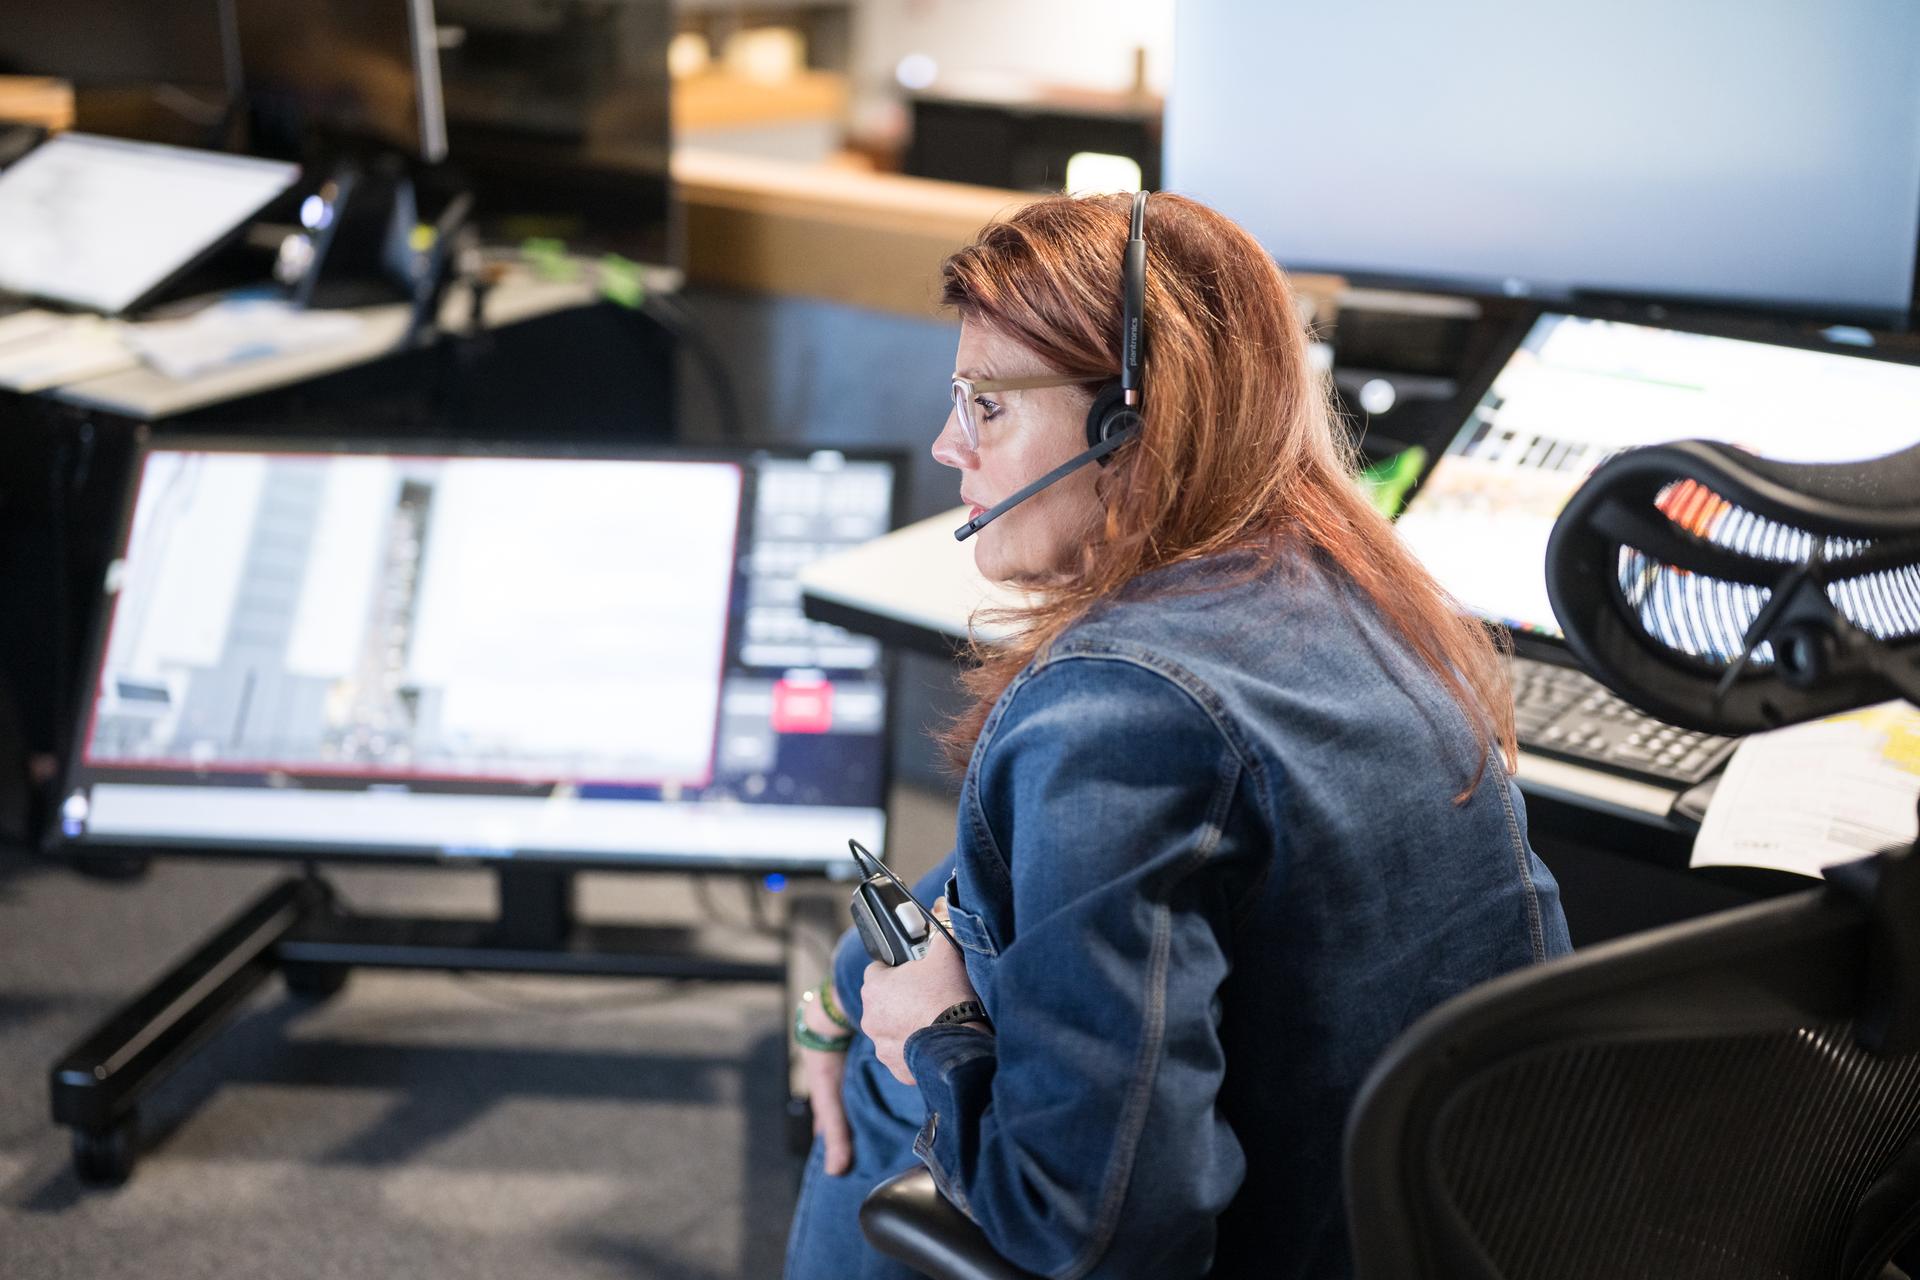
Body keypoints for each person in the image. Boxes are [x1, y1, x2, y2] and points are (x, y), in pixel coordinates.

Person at [784, 191, 1571, 1280]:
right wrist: (848, 978)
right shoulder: (1366, 602)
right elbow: (1041, 896)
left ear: (1131, 422)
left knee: (891, 1085)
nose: (948, 443)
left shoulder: (1115, 714)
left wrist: (938, 1035)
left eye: (989, 406)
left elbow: (1091, 1234)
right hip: (1455, 1227)